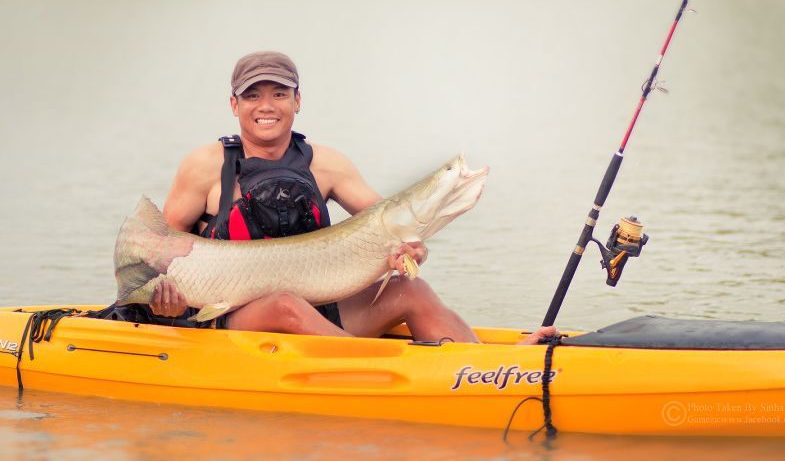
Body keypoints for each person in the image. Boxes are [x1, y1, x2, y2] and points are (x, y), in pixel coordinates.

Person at [155, 51, 557, 345]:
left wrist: (412, 253)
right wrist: (166, 298)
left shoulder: (329, 164)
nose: (266, 106)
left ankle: (487, 370)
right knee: (283, 303)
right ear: (234, 105)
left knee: (409, 289)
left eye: (279, 94)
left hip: (319, 315)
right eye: (252, 95)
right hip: (232, 318)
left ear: (297, 101)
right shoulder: (204, 165)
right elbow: (162, 251)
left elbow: (392, 228)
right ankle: (371, 368)